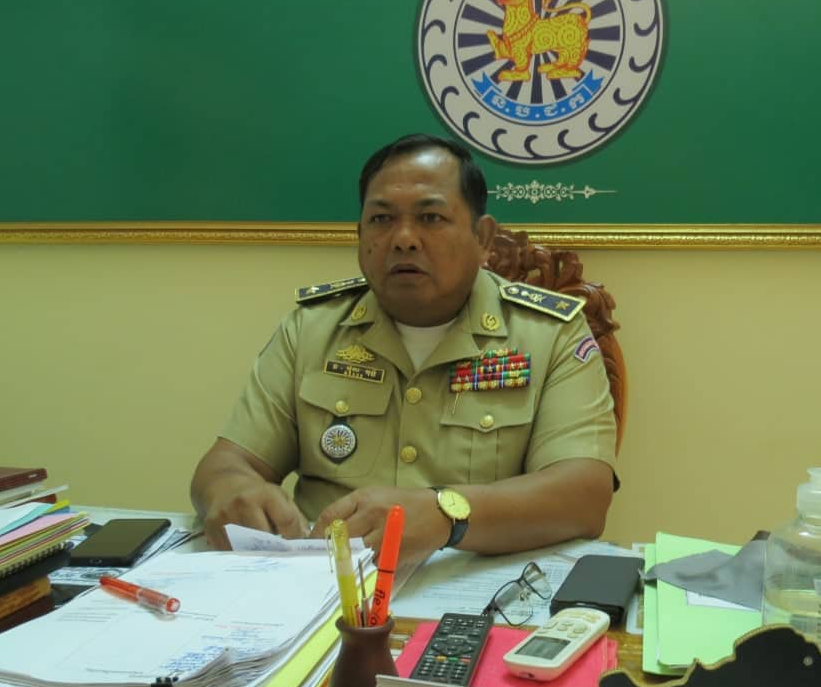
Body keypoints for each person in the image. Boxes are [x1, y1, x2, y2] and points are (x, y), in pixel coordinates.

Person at [190, 133, 617, 571]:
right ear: (360, 235)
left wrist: (446, 515)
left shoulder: (549, 334)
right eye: (381, 219)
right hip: (324, 584)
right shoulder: (312, 328)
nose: (404, 239)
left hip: (476, 589)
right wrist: (231, 491)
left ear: (483, 237)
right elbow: (226, 463)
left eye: (431, 217)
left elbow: (584, 495)